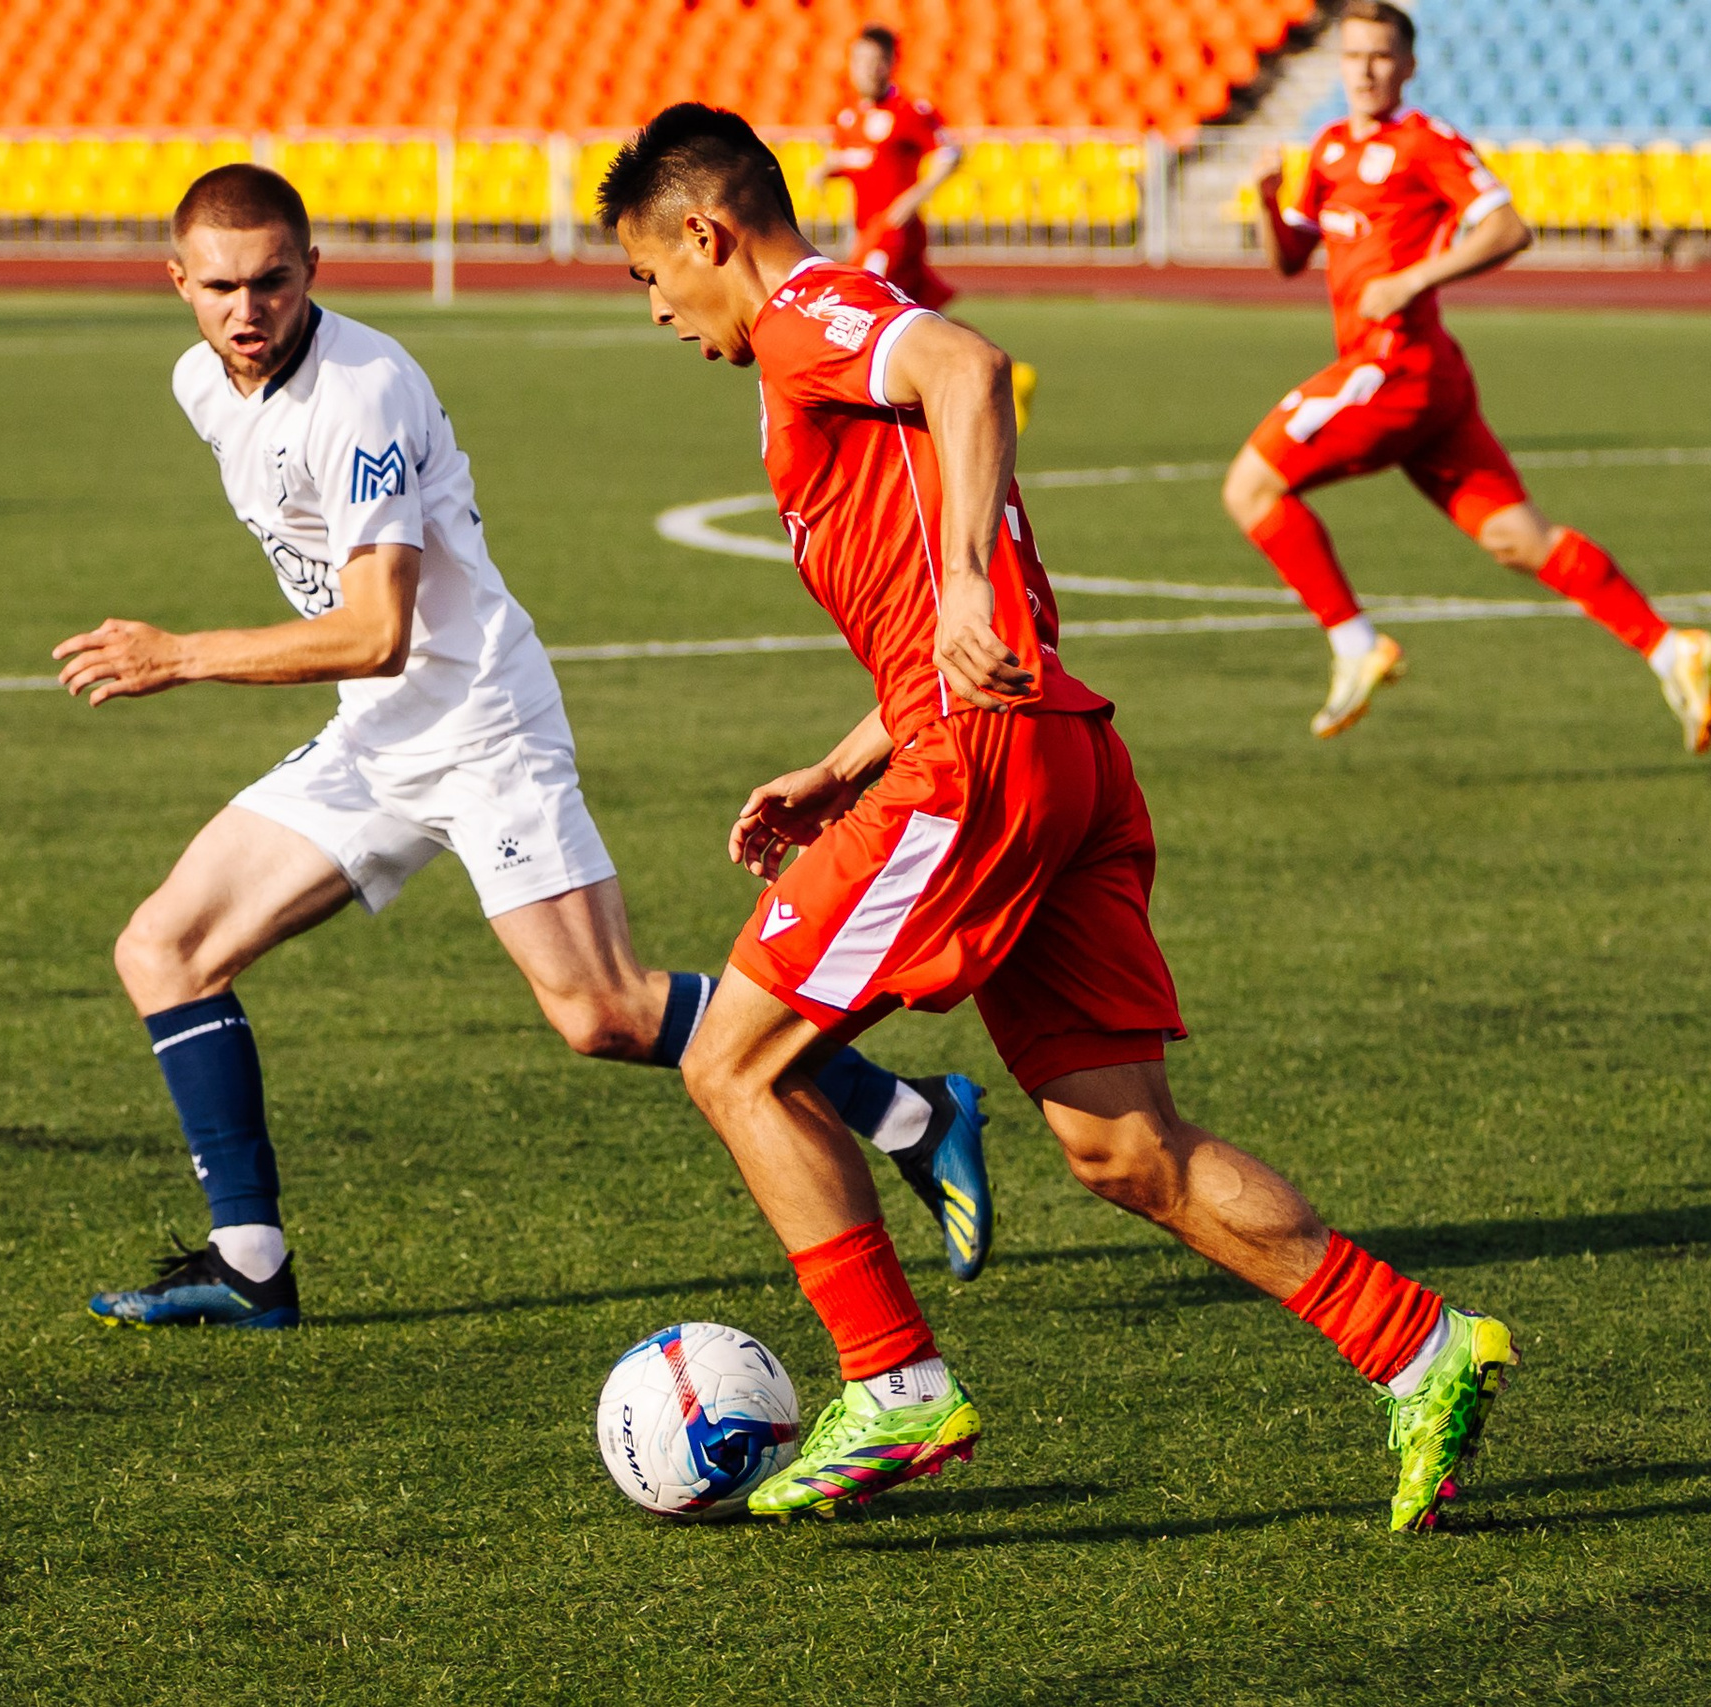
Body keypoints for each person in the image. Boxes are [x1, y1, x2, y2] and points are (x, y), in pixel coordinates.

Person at [601, 103, 1516, 1534]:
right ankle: (1417, 1340)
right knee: (1123, 1149)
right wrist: (850, 757)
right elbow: (956, 576)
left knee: (733, 1059)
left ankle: (895, 1380)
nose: (653, 308)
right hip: (1051, 746)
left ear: (707, 234)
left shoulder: (807, 317)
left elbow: (972, 372)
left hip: (975, 767)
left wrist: (958, 592)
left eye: (648, 274)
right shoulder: (839, 329)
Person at [52, 166, 992, 1331]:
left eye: (274, 282)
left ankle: (912, 1113)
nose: (248, 311)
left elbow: (377, 629)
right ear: (177, 282)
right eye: (221, 287)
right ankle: (250, 1264)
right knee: (165, 949)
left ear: (312, 272)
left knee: (599, 1011)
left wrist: (181, 654)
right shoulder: (203, 381)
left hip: (478, 725)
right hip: (374, 734)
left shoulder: (363, 391)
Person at [1229, 0, 1711, 752]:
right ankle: (1667, 647)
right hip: (1428, 383)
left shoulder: (1426, 142)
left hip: (1391, 367)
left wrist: (1411, 279)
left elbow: (1508, 227)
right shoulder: (1327, 148)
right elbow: (1288, 259)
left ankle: (1357, 644)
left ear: (1408, 66)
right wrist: (1269, 199)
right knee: (1519, 540)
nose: (1364, 70)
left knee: (1250, 487)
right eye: (1353, 55)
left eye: (1380, 56)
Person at [818, 23, 1040, 431]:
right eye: (858, 60)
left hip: (895, 235)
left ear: (890, 65)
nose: (865, 69)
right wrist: (829, 169)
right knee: (923, 314)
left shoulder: (909, 112)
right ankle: (1007, 371)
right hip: (868, 230)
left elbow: (950, 155)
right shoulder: (848, 116)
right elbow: (861, 161)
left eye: (874, 60)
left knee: (867, 305)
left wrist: (912, 198)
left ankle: (874, 407)